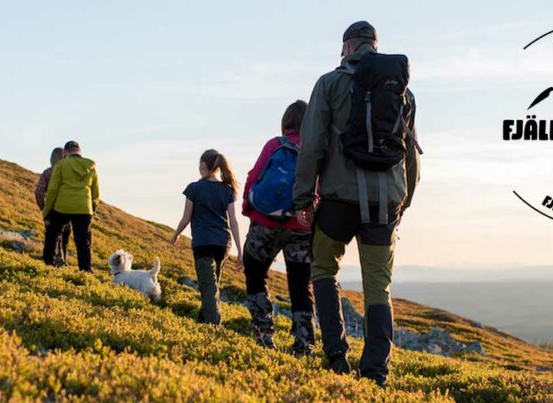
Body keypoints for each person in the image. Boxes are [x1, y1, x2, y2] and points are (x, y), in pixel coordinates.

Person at [292, 21, 420, 386]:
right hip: (386, 204)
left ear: (347, 48)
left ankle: (336, 356)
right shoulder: (403, 92)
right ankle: (376, 372)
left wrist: (303, 197)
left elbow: (312, 144)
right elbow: (411, 155)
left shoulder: (330, 83)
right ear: (375, 47)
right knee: (378, 285)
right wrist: (403, 202)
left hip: (338, 200)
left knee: (324, 269)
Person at [242, 100, 315, 355]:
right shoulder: (315, 149)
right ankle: (304, 344)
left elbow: (254, 177)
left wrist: (248, 209)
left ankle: (264, 333)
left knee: (256, 274)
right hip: (302, 227)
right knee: (301, 284)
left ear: (286, 123)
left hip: (265, 223)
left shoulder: (275, 145)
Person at [170, 149, 242, 325]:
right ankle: (202, 322)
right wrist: (240, 251)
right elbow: (233, 221)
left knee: (208, 287)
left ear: (203, 166)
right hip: (223, 244)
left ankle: (213, 326)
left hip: (203, 243)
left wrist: (175, 235)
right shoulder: (228, 190)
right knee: (212, 285)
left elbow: (186, 218)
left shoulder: (194, 188)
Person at [42, 141, 100, 272]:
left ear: (66, 152)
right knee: (83, 242)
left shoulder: (61, 165)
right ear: (79, 151)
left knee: (52, 234)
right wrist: (92, 208)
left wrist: (47, 211)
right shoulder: (91, 167)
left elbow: (52, 190)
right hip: (84, 208)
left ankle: (48, 265)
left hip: (62, 206)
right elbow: (95, 192)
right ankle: (85, 271)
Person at [35, 147, 71, 266]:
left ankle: (50, 262)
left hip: (52, 210)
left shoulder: (48, 172)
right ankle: (63, 261)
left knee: (51, 238)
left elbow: (39, 192)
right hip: (68, 210)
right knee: (64, 240)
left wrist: (44, 208)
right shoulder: (69, 173)